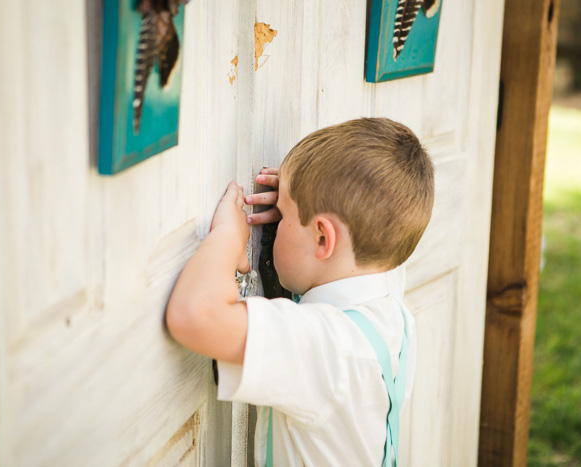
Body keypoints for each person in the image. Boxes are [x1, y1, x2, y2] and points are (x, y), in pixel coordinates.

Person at [166, 117, 435, 466]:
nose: (277, 220)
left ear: (323, 238)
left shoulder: (325, 348)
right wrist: (306, 196)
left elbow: (194, 316)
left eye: (285, 214)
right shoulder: (389, 306)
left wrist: (228, 236)